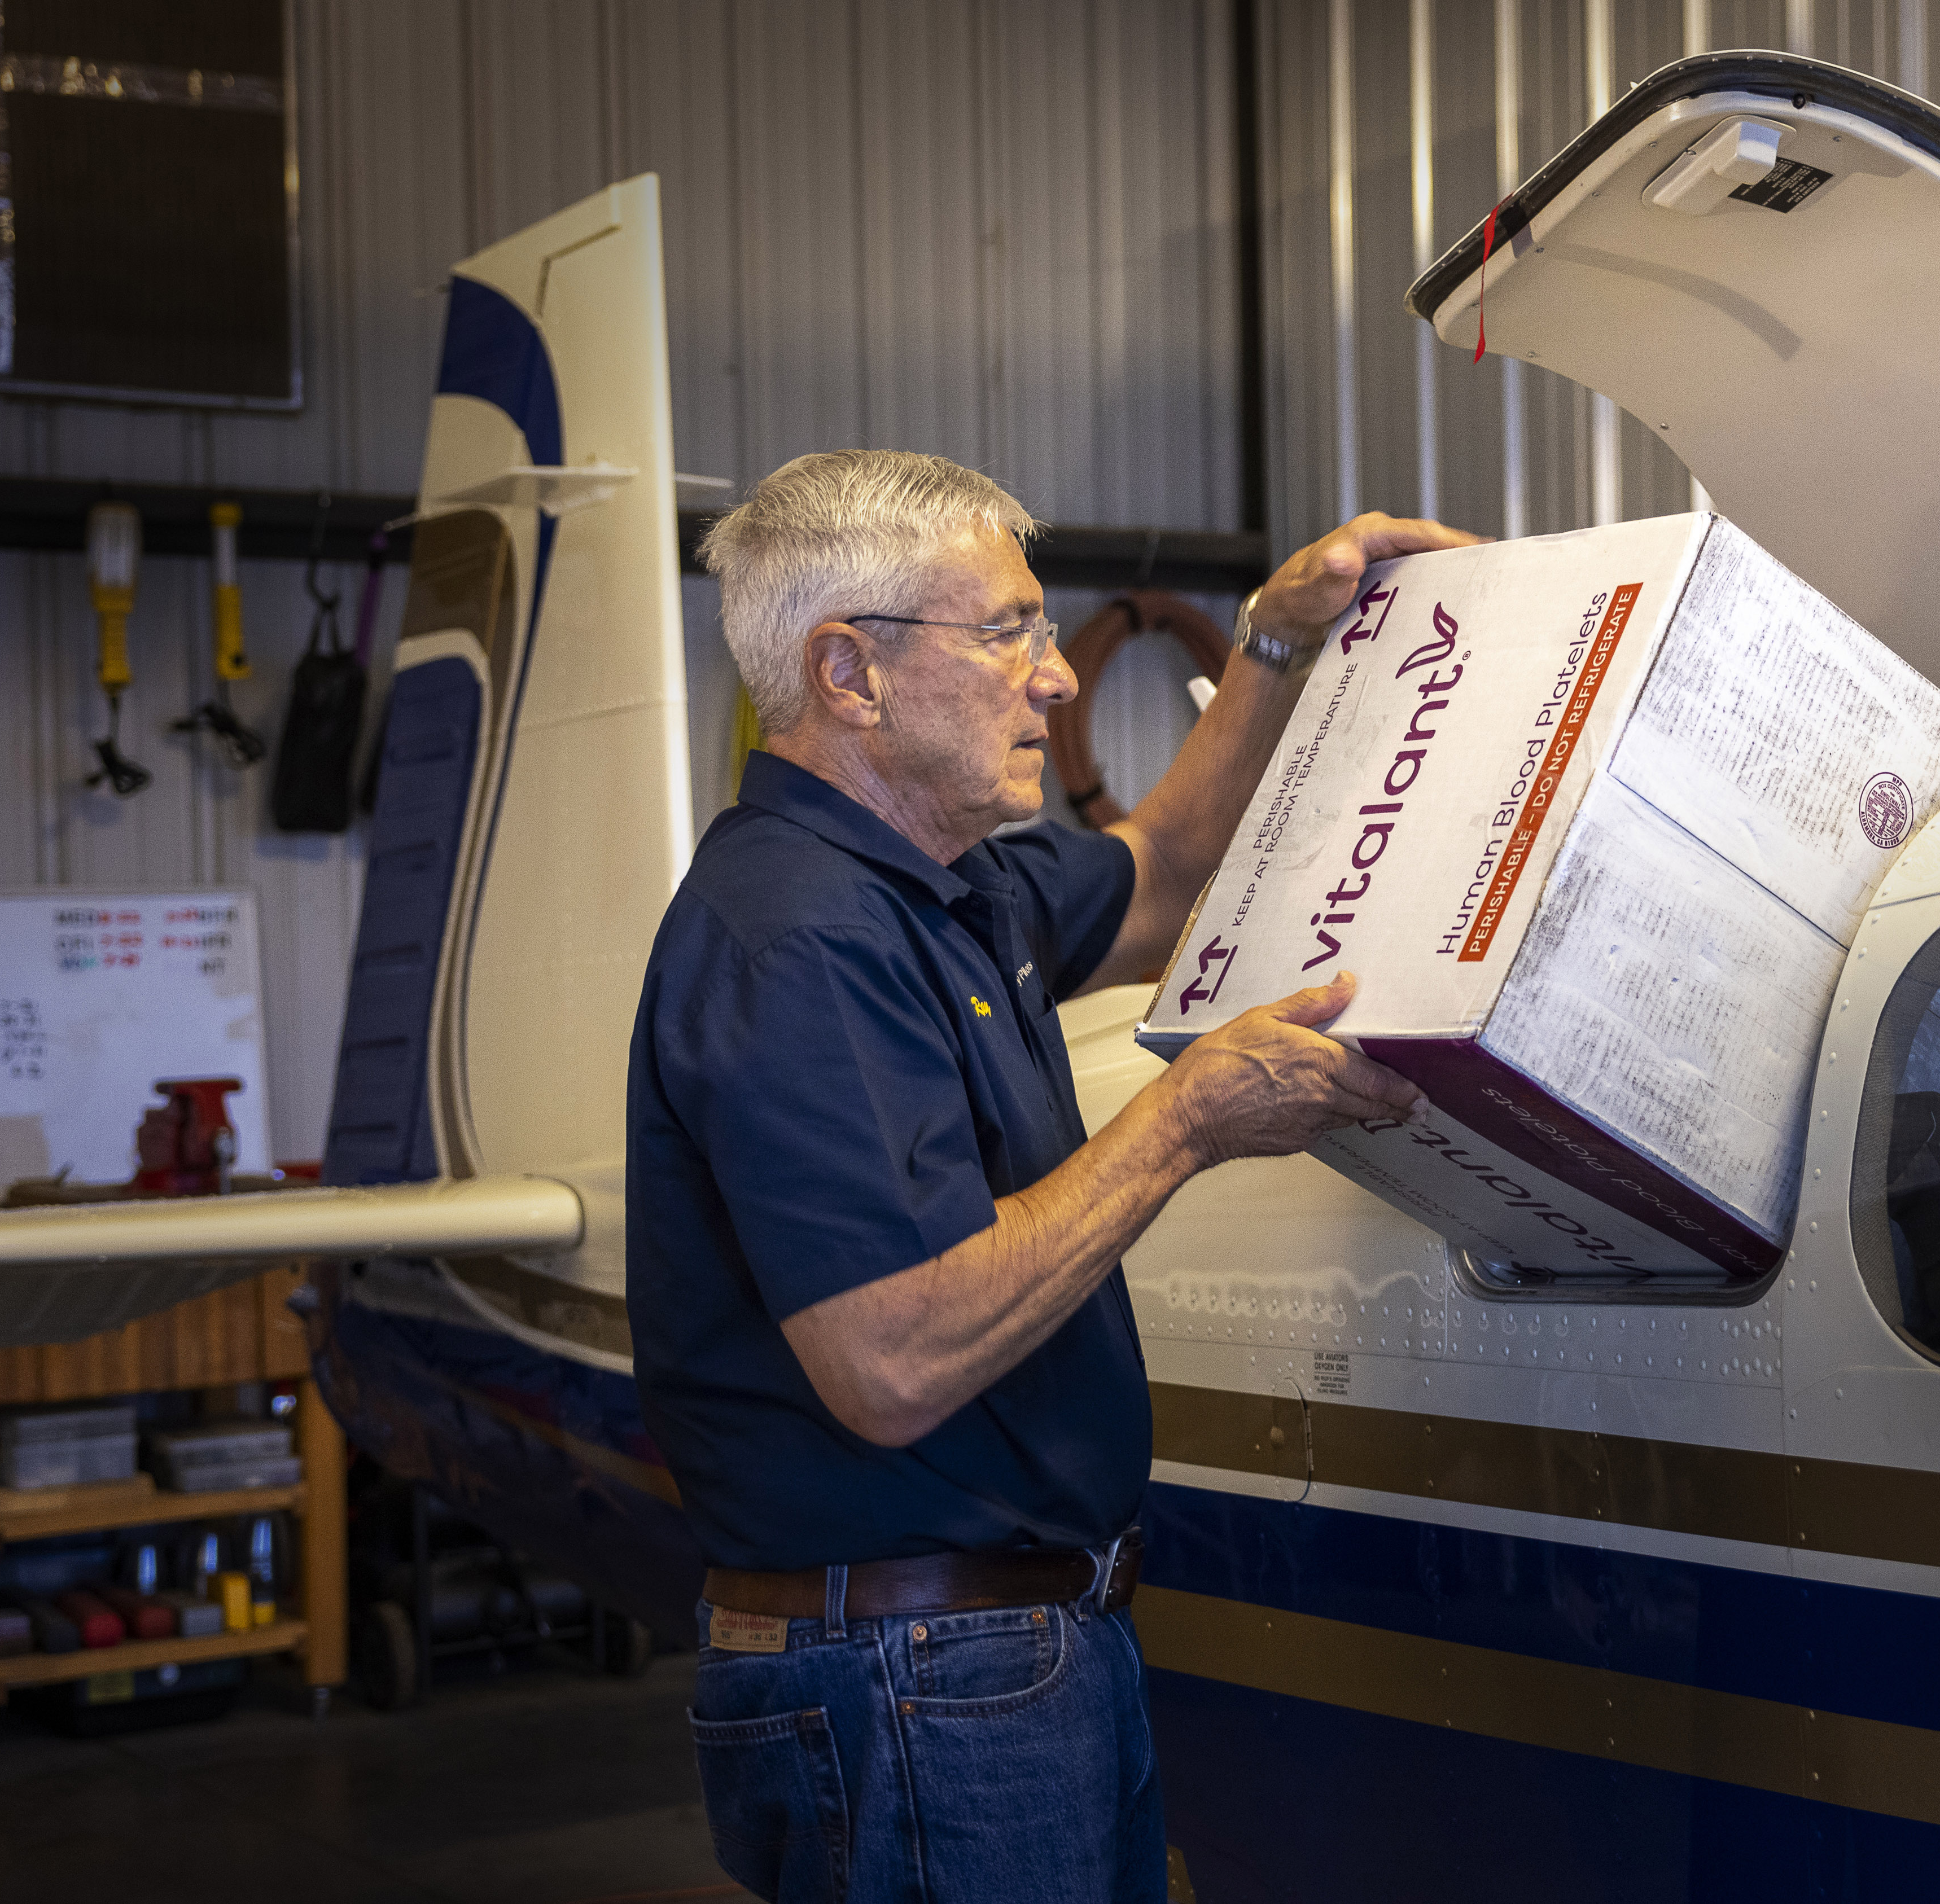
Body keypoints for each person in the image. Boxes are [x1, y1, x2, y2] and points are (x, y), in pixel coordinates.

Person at [628, 449, 1476, 1903]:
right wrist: (1187, 1121)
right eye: (1007, 631)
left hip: (1008, 1653)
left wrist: (1276, 637)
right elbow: (890, 1360)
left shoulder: (951, 890)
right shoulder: (801, 938)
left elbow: (1166, 866)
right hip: (917, 1674)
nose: (1059, 675)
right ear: (849, 673)